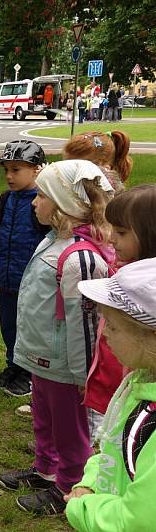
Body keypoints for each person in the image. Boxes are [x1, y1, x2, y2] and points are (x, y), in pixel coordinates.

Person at [0, 160, 115, 516]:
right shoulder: (54, 239)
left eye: (43, 196)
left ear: (64, 204)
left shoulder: (79, 257)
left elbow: (84, 324)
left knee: (69, 429)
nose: (35, 201)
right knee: (44, 417)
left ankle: (67, 487)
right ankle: (45, 467)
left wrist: (84, 377)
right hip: (43, 356)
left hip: (65, 365)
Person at [64, 257, 156, 530]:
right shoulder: (141, 381)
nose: (105, 336)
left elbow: (138, 521)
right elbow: (112, 449)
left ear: (150, 336)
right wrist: (91, 483)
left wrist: (81, 507)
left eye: (113, 327)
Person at [83, 185, 156, 439]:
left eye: (121, 232)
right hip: (116, 384)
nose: (111, 238)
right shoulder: (120, 275)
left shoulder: (145, 295)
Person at [0, 140, 50, 397]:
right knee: (9, 326)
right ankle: (13, 366)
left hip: (32, 283)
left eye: (16, 170)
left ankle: (29, 374)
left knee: (31, 330)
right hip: (6, 278)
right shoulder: (5, 199)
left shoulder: (43, 202)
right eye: (6, 170)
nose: (9, 176)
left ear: (36, 169)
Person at [62, 130, 133, 194]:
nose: (67, 170)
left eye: (76, 167)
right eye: (65, 165)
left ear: (103, 169)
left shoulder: (107, 194)